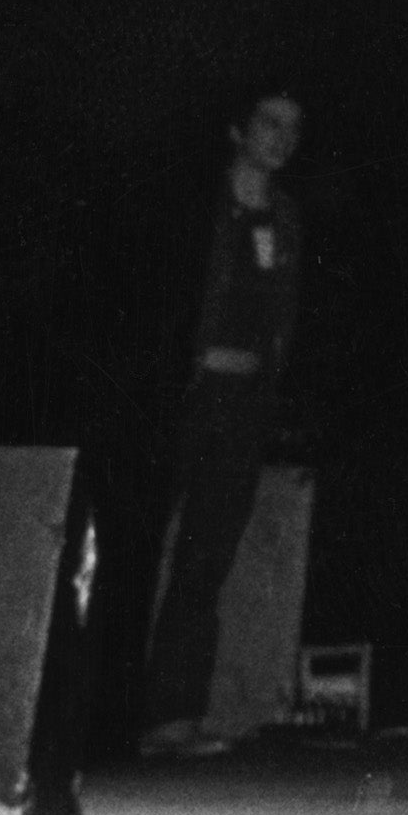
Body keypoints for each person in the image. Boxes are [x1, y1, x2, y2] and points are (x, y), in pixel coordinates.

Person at [137, 89, 304, 758]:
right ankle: (102, 718)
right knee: (143, 546)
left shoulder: (287, 216)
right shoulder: (197, 203)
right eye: (269, 121)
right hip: (183, 396)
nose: (282, 136)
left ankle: (173, 716)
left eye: (294, 127)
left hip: (243, 405)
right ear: (236, 127)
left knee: (207, 555)